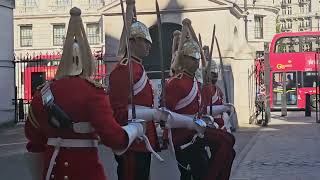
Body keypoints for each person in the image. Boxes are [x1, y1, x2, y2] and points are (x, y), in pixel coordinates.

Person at [24, 7, 146, 180]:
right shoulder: (93, 93)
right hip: (86, 172)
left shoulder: (42, 93)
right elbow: (114, 138)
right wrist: (135, 129)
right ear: (87, 59)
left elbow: (33, 141)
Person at [165, 19, 236, 180]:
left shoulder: (195, 82)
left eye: (198, 58)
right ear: (183, 59)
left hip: (197, 131)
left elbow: (201, 110)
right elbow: (166, 116)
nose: (197, 61)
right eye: (193, 58)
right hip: (184, 136)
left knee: (228, 149)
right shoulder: (176, 83)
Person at [108, 18, 161, 180]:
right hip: (132, 142)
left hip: (142, 140)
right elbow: (118, 111)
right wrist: (152, 114)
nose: (149, 45)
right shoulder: (125, 69)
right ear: (132, 41)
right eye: (145, 41)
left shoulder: (137, 68)